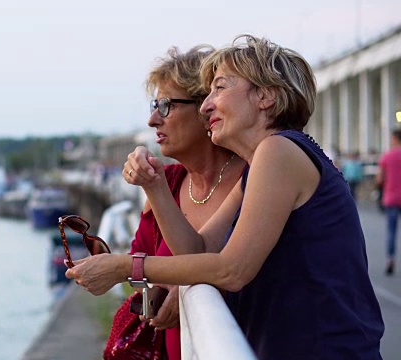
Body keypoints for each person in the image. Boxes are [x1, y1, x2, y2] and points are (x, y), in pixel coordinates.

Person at [67, 34, 384, 359]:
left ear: (266, 96)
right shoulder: (261, 165)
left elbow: (232, 270)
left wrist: (124, 267)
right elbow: (196, 249)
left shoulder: (280, 151)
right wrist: (156, 184)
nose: (206, 105)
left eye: (220, 87)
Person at [110, 45, 246, 360]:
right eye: (154, 105)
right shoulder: (167, 183)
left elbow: (250, 272)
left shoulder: (253, 180)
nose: (152, 119)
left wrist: (182, 285)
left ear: (207, 109)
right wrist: (163, 287)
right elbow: (141, 272)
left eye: (166, 105)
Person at [376, 128, 401, 275]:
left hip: (391, 197)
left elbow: (379, 178)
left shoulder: (387, 156)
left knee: (391, 230)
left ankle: (390, 259)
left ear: (394, 139)